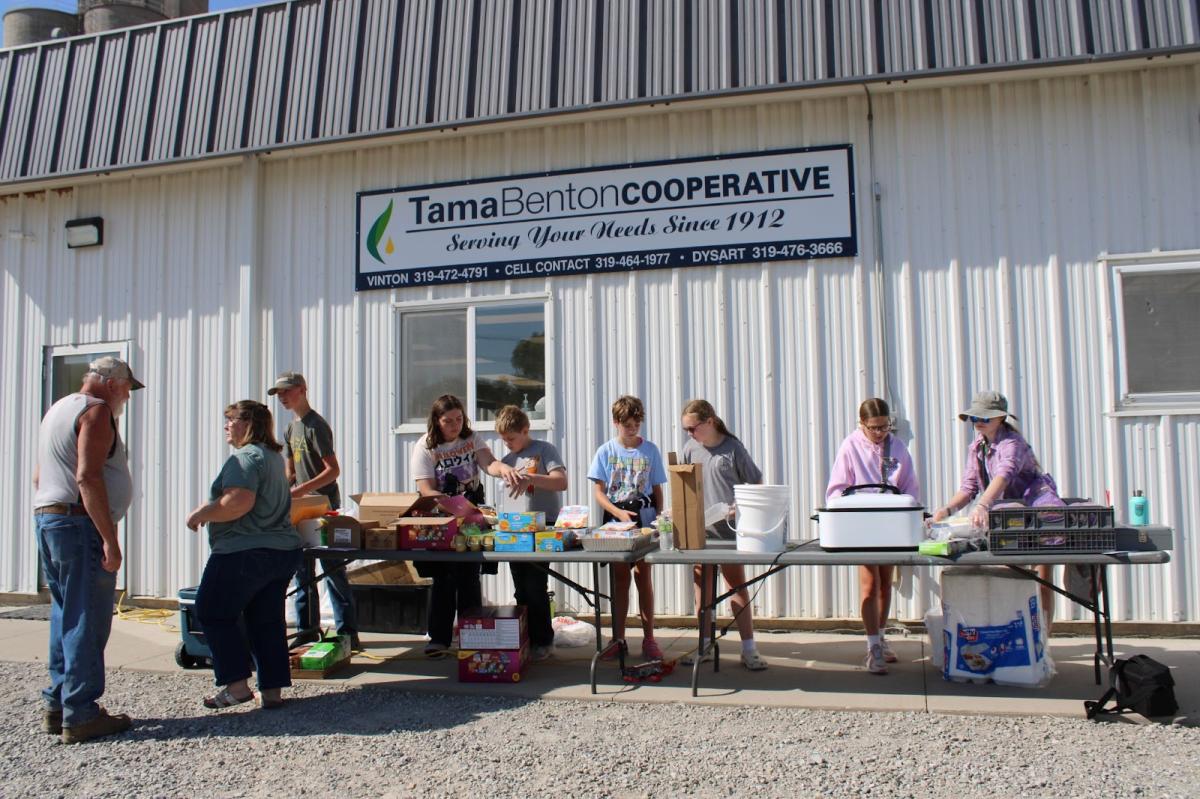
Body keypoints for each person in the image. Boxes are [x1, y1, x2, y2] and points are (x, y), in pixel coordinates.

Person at [33, 356, 143, 743]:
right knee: (87, 618)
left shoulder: (58, 409)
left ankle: (58, 702)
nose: (127, 398)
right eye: (128, 389)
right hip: (79, 523)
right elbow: (87, 475)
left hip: (50, 518)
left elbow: (39, 475)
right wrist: (109, 539)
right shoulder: (96, 412)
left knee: (65, 612)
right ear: (113, 384)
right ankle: (80, 712)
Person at [186, 401, 302, 710]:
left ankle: (236, 686)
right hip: (281, 551)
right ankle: (272, 690)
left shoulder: (247, 457)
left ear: (248, 424)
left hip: (244, 550)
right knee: (266, 621)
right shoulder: (273, 458)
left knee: (212, 610)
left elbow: (238, 502)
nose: (226, 426)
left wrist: (201, 513)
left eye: (231, 420)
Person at [930, 391, 1064, 627]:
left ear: (1001, 418)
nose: (979, 422)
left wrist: (983, 504)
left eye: (986, 417)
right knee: (1007, 577)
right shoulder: (976, 448)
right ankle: (1014, 631)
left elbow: (1004, 475)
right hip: (1006, 519)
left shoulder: (1012, 443)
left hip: (1035, 512)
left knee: (1042, 578)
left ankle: (1043, 640)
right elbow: (969, 487)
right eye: (975, 418)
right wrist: (947, 510)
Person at [410, 395, 524, 656]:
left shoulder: (472, 439)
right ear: (437, 422)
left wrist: (503, 469)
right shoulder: (425, 446)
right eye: (448, 421)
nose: (454, 425)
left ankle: (471, 635)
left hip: (473, 515)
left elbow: (488, 463)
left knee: (470, 575)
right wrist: (450, 505)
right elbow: (426, 490)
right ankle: (438, 638)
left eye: (459, 419)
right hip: (442, 518)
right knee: (443, 578)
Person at [826, 397, 920, 675]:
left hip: (890, 522)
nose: (880, 433)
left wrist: (912, 511)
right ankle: (872, 646)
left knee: (885, 583)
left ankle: (880, 636)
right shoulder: (850, 446)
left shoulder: (897, 447)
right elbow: (836, 489)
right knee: (870, 583)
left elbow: (910, 485)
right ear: (862, 425)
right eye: (874, 428)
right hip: (862, 524)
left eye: (885, 427)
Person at [268, 371, 359, 650]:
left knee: (332, 570)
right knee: (302, 570)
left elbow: (333, 470)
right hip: (301, 508)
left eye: (286, 391)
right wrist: (284, 491)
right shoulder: (290, 428)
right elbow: (290, 471)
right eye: (279, 393)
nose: (282, 397)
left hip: (323, 507)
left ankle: (347, 633)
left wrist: (301, 490)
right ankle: (308, 629)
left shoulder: (315, 425)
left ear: (302, 390)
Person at [679, 399, 768, 671]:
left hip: (729, 533)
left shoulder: (733, 448)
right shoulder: (690, 449)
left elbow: (755, 483)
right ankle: (704, 645)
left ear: (709, 422)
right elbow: (682, 486)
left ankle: (749, 649)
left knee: (737, 587)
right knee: (702, 592)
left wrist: (738, 507)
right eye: (687, 430)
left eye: (693, 428)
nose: (691, 434)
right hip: (700, 532)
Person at [587, 395, 667, 660]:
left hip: (644, 520)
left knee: (644, 578)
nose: (632, 429)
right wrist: (617, 513)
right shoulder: (606, 451)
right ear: (616, 422)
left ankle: (649, 638)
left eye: (636, 424)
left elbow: (657, 490)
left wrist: (657, 519)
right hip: (616, 522)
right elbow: (599, 492)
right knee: (620, 580)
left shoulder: (650, 450)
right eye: (626, 425)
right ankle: (618, 638)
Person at [494, 405, 568, 661]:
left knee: (536, 585)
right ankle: (523, 638)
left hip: (543, 526)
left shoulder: (544, 450)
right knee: (520, 588)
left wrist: (532, 479)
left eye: (511, 439)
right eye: (504, 440)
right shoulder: (506, 461)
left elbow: (561, 481)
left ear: (526, 431)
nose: (507, 445)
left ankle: (543, 640)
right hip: (515, 529)